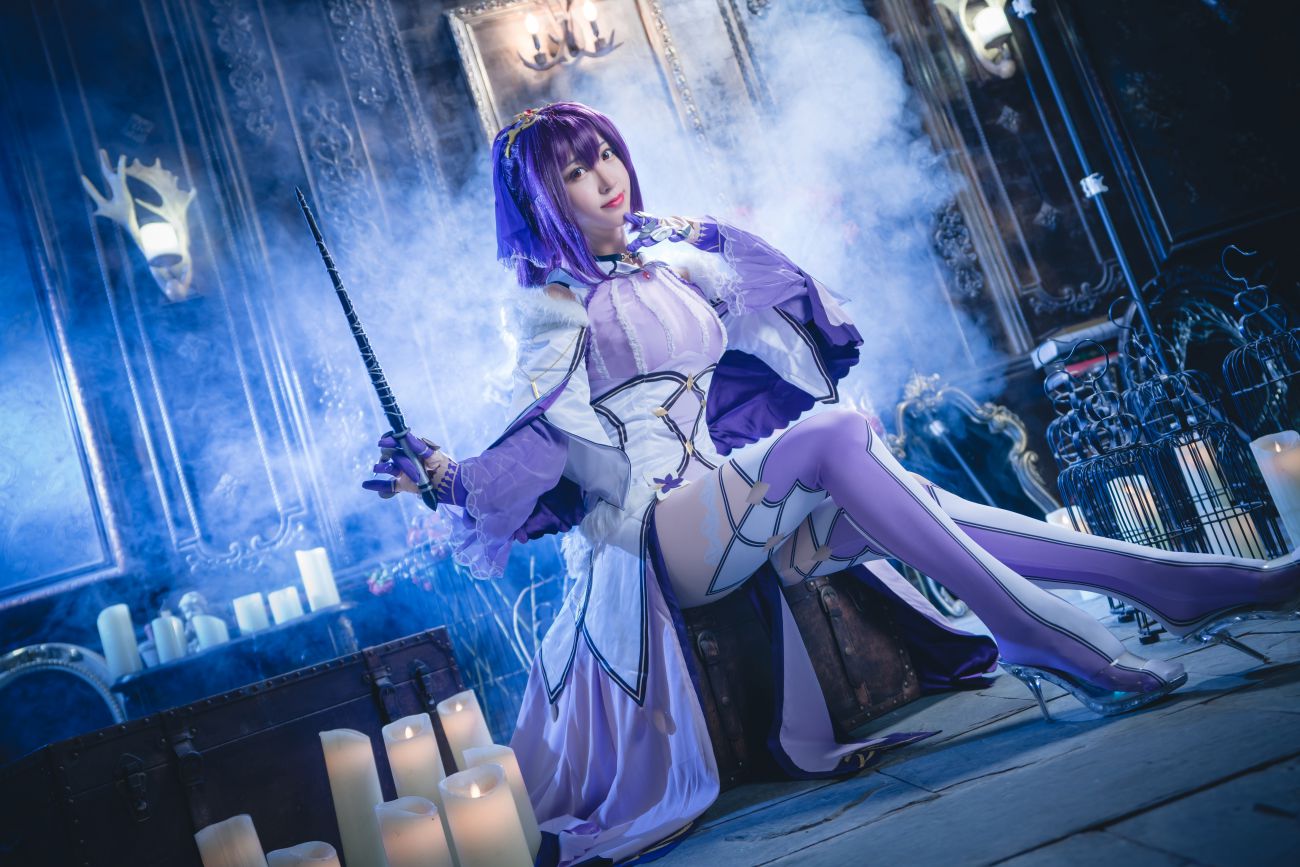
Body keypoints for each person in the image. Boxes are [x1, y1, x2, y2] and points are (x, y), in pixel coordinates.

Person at [363, 102, 1300, 865]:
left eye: (607, 153)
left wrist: (692, 230)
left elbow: (776, 281)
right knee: (838, 433)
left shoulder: (662, 261)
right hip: (651, 536)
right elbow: (537, 443)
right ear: (541, 198)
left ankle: (1194, 585)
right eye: (575, 170)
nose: (606, 176)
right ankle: (1039, 631)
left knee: (924, 500)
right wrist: (442, 475)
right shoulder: (550, 307)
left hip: (725, 502)